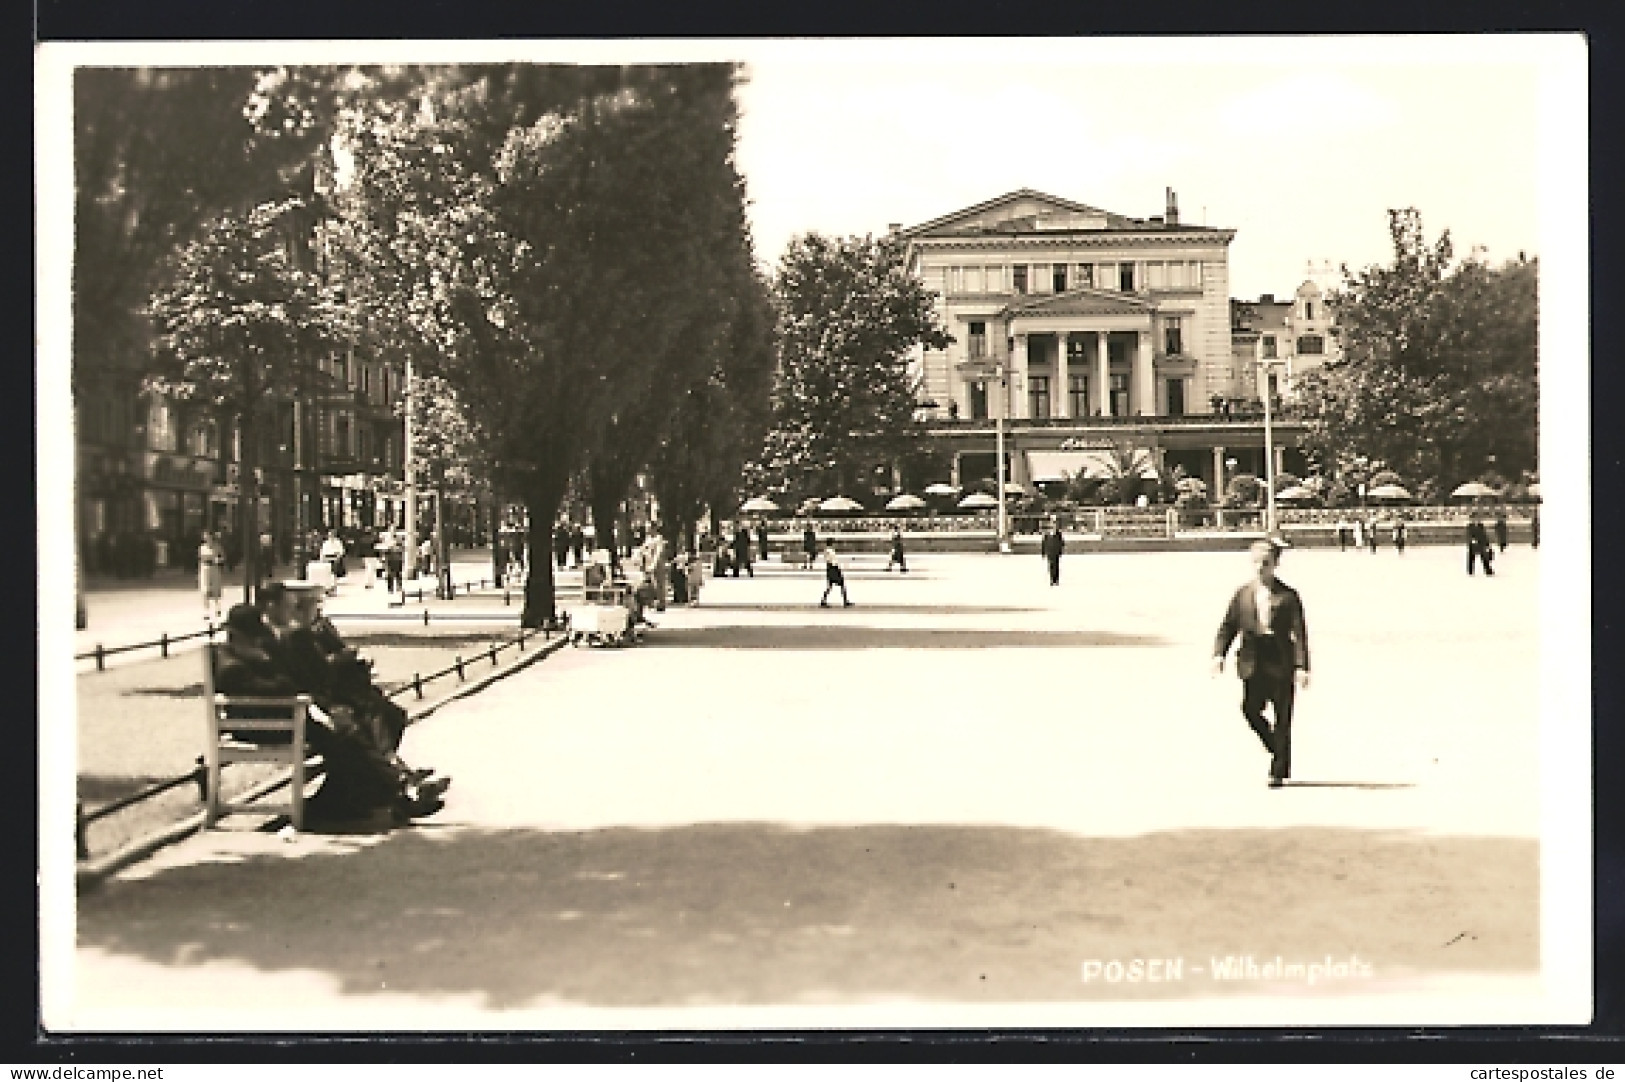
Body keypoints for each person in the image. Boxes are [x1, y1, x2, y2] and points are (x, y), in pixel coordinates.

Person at [1212, 539, 1311, 788]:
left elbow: (1299, 633)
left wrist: (1302, 667)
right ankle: (1275, 746)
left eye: (1265, 563)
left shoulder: (1288, 596)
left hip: (1280, 659)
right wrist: (1218, 655)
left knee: (1282, 716)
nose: (1260, 568)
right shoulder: (1242, 594)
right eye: (1256, 563)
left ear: (1275, 565)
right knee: (1250, 709)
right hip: (1252, 658)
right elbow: (1228, 626)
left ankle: (1277, 771)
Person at [198, 531, 225, 623]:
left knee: (215, 589)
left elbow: (222, 557)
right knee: (205, 590)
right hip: (205, 568)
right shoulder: (202, 548)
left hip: (214, 568)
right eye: (205, 536)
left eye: (208, 536)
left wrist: (218, 560)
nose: (206, 538)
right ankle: (206, 611)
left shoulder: (217, 547)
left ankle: (218, 608)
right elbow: (200, 559)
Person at [819, 543, 852, 607]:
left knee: (830, 586)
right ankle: (845, 601)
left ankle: (823, 600)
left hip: (830, 569)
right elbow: (832, 561)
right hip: (833, 569)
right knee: (842, 583)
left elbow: (828, 560)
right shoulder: (830, 551)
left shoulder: (826, 551)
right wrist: (837, 569)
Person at [1040, 516, 1065, 586]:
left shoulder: (1058, 534)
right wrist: (1043, 553)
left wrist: (1060, 551)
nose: (1053, 526)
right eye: (1052, 525)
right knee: (1051, 566)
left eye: (1054, 525)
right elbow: (1044, 543)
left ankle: (1056, 580)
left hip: (1056, 552)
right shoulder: (1047, 535)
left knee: (1056, 566)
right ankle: (1052, 579)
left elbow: (1061, 543)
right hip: (1050, 552)